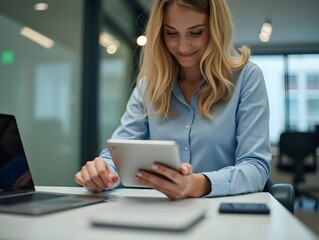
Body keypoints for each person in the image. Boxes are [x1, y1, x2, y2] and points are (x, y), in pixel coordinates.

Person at [75, 0, 271, 200]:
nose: (183, 46)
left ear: (216, 29)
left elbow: (256, 168)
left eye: (195, 32)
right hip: (163, 215)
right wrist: (102, 171)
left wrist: (199, 184)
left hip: (225, 217)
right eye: (171, 33)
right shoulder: (148, 86)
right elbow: (119, 151)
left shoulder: (246, 78)